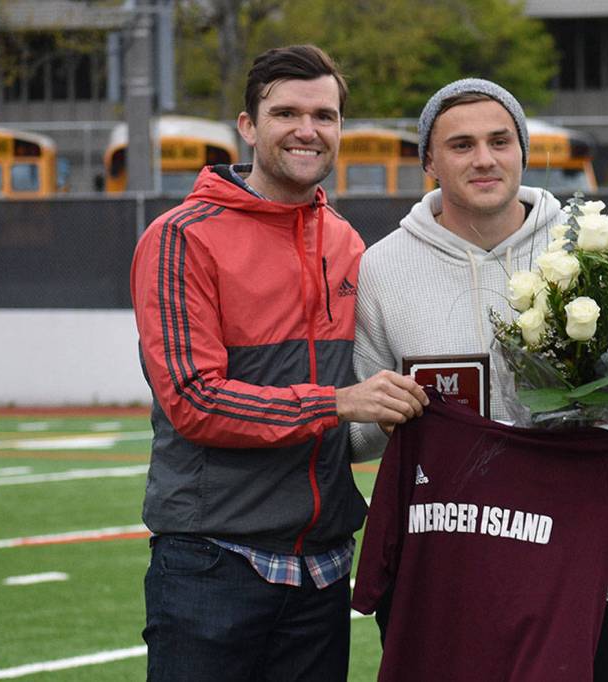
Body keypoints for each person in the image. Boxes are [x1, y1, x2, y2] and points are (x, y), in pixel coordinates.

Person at [130, 44, 428, 682]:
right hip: (213, 561)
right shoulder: (181, 237)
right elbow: (195, 400)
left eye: (324, 115)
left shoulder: (346, 240)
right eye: (286, 112)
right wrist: (338, 402)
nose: (307, 130)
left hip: (321, 568)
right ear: (248, 126)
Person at [351, 78, 608, 681]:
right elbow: (362, 439)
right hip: (441, 580)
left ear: (523, 150)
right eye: (461, 145)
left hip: (575, 574)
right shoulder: (382, 267)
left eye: (499, 141)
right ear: (429, 161)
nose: (484, 159)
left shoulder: (595, 251)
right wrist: (383, 410)